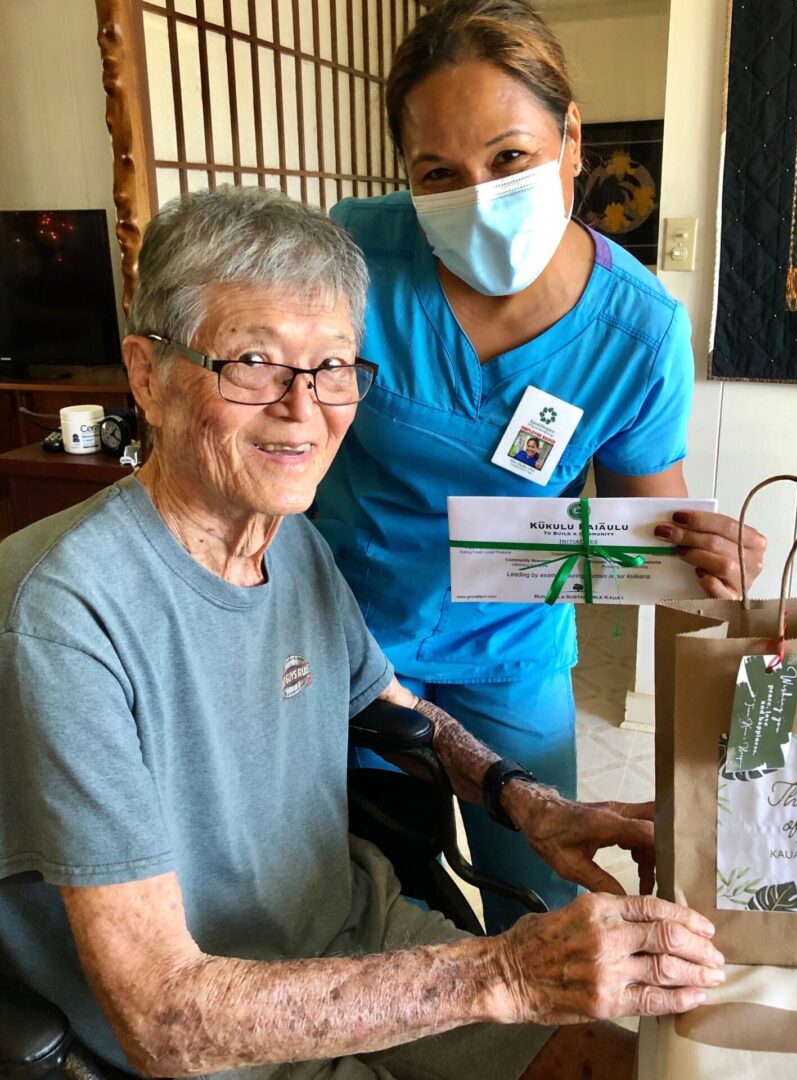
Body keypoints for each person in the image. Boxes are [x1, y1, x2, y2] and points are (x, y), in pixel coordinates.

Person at [0, 186, 725, 1080]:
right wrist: (505, 970)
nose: (304, 408)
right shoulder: (66, 612)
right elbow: (162, 1016)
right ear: (147, 376)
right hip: (219, 1034)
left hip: (352, 939)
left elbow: (388, 701)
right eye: (254, 362)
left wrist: (531, 805)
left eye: (334, 365)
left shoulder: (293, 541)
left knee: (650, 1068)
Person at [314, 0, 767, 932]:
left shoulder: (638, 332)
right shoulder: (355, 253)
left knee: (554, 883)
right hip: (350, 629)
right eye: (439, 173)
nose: (476, 195)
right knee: (357, 879)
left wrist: (705, 554)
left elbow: (650, 526)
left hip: (509, 644)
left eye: (510, 157)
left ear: (571, 141)